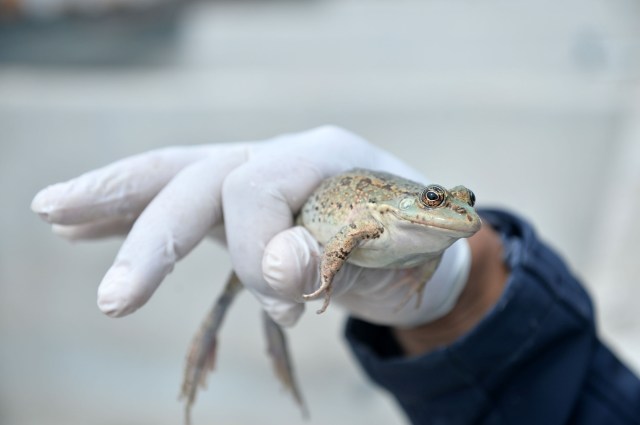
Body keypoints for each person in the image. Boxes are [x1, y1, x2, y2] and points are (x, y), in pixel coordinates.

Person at [31, 126, 640, 424]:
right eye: (438, 203)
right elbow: (352, 234)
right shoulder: (384, 216)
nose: (458, 214)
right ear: (418, 201)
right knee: (239, 277)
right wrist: (462, 303)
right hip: (324, 218)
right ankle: (209, 350)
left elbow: (444, 239)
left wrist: (455, 290)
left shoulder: (433, 227)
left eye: (460, 203)